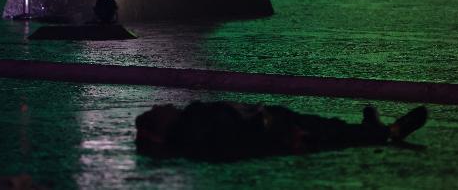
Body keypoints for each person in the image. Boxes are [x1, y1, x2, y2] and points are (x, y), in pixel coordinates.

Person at [135, 101, 428, 161]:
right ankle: (388, 131)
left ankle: (373, 131)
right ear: (162, 125)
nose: (162, 104)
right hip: (281, 129)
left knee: (331, 129)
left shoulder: (192, 119)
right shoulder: (195, 127)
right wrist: (280, 134)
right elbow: (240, 138)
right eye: (156, 110)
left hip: (277, 123)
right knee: (329, 132)